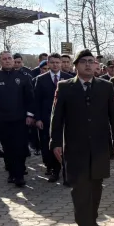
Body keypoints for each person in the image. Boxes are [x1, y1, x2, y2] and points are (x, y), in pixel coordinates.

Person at [50, 50, 114, 226]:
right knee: (80, 188)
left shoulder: (106, 87)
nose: (89, 65)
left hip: (100, 146)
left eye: (92, 62)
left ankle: (92, 219)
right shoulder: (64, 87)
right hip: (75, 147)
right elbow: (56, 117)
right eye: (84, 62)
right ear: (76, 66)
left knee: (96, 187)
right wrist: (55, 142)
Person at [0, 51, 35, 187]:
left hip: (21, 119)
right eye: (4, 59)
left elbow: (30, 98)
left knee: (20, 147)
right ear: (0, 61)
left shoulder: (23, 77)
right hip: (3, 120)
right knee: (8, 147)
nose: (7, 61)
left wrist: (30, 115)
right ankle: (12, 173)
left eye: (9, 58)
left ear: (13, 60)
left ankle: (19, 175)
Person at [34, 53, 73, 183]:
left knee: (66, 145)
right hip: (46, 118)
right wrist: (38, 118)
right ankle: (53, 170)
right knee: (49, 145)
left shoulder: (69, 78)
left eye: (58, 62)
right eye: (52, 62)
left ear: (61, 63)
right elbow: (37, 101)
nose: (55, 65)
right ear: (48, 63)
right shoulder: (41, 79)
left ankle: (67, 172)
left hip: (65, 119)